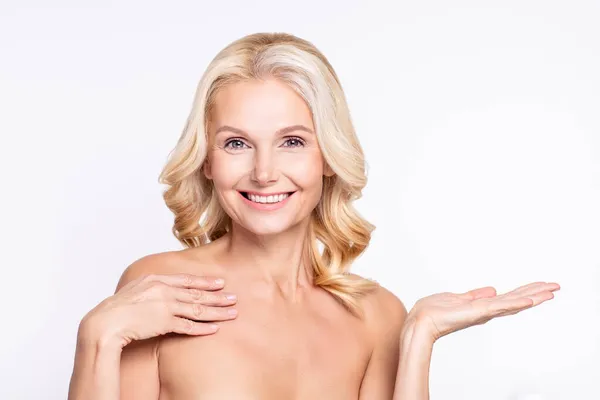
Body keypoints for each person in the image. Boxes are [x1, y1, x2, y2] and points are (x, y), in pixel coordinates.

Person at [67, 32, 560, 400]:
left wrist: (418, 338)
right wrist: (98, 335)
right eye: (237, 143)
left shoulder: (377, 315)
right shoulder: (163, 287)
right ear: (208, 160)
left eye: (292, 142)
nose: (264, 172)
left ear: (326, 157)